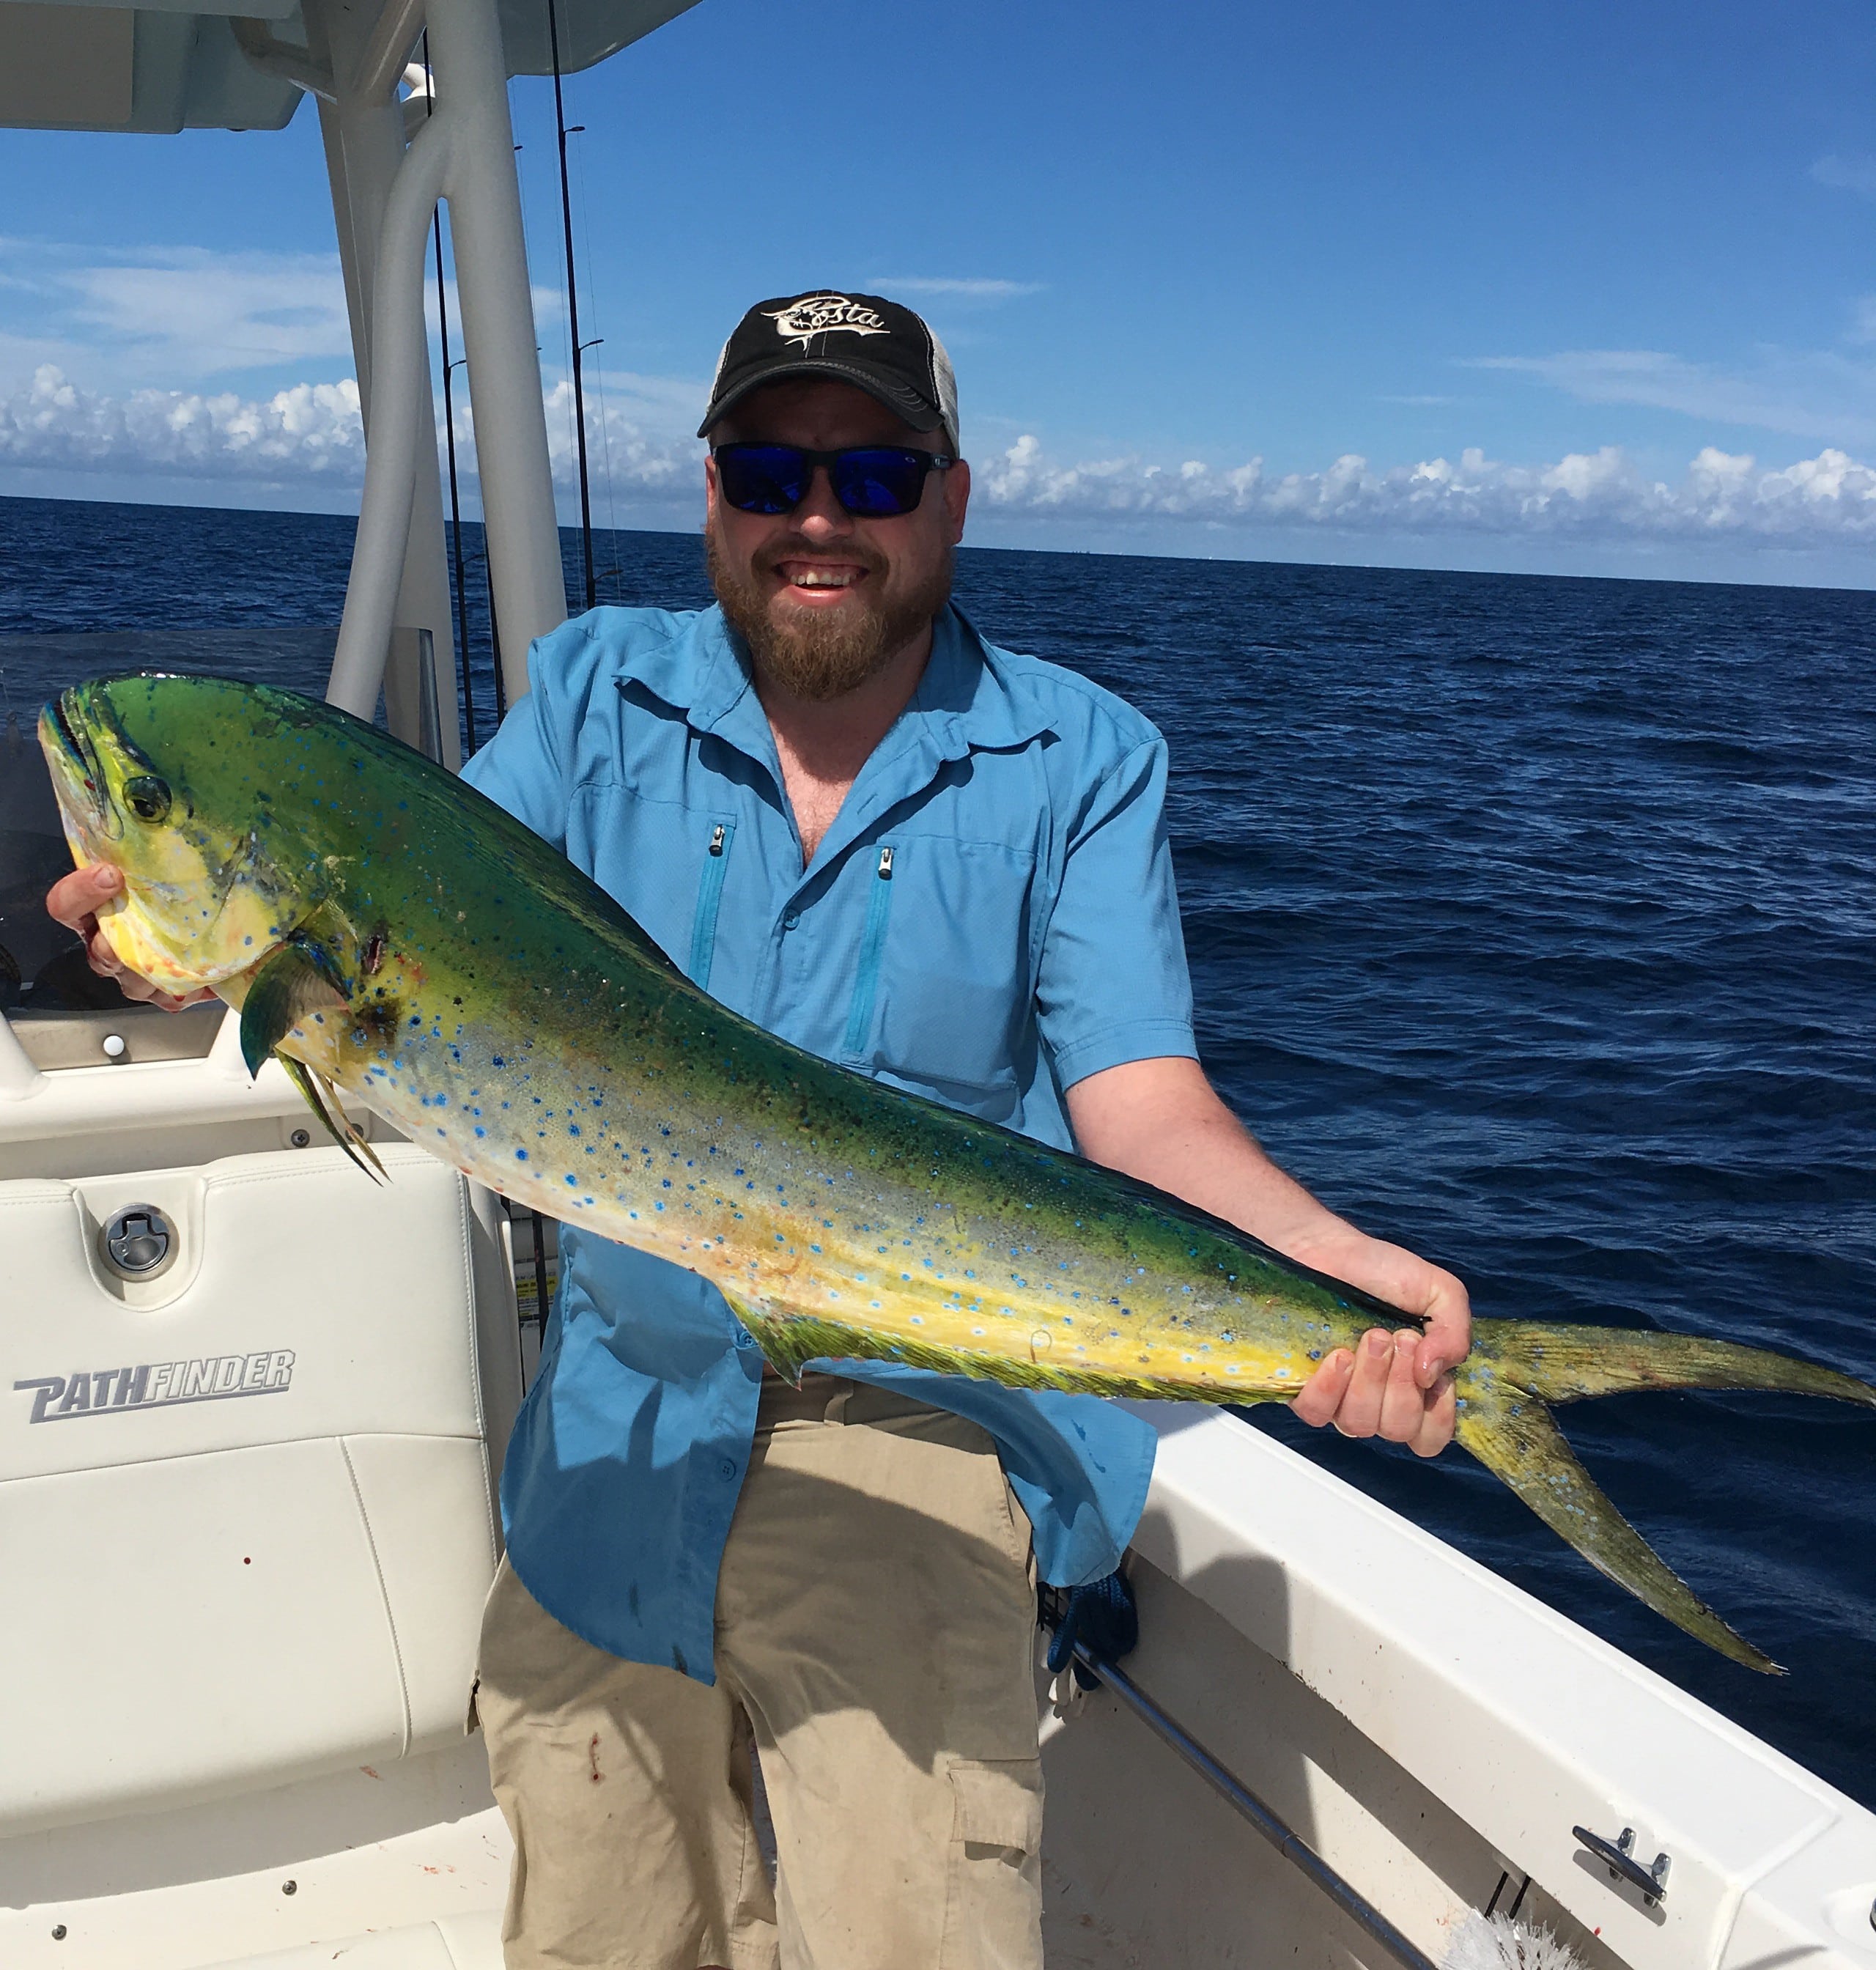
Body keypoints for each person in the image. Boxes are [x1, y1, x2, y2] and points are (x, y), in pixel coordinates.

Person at [48, 290, 1469, 1970]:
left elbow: (1140, 1100)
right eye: (765, 470)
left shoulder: (1081, 756)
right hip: (617, 1439)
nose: (815, 519)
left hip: (918, 1437)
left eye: (870, 476)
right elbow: (431, 948)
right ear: (710, 492)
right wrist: (178, 956)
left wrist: (1306, 1257)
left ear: (949, 496)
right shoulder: (588, 695)